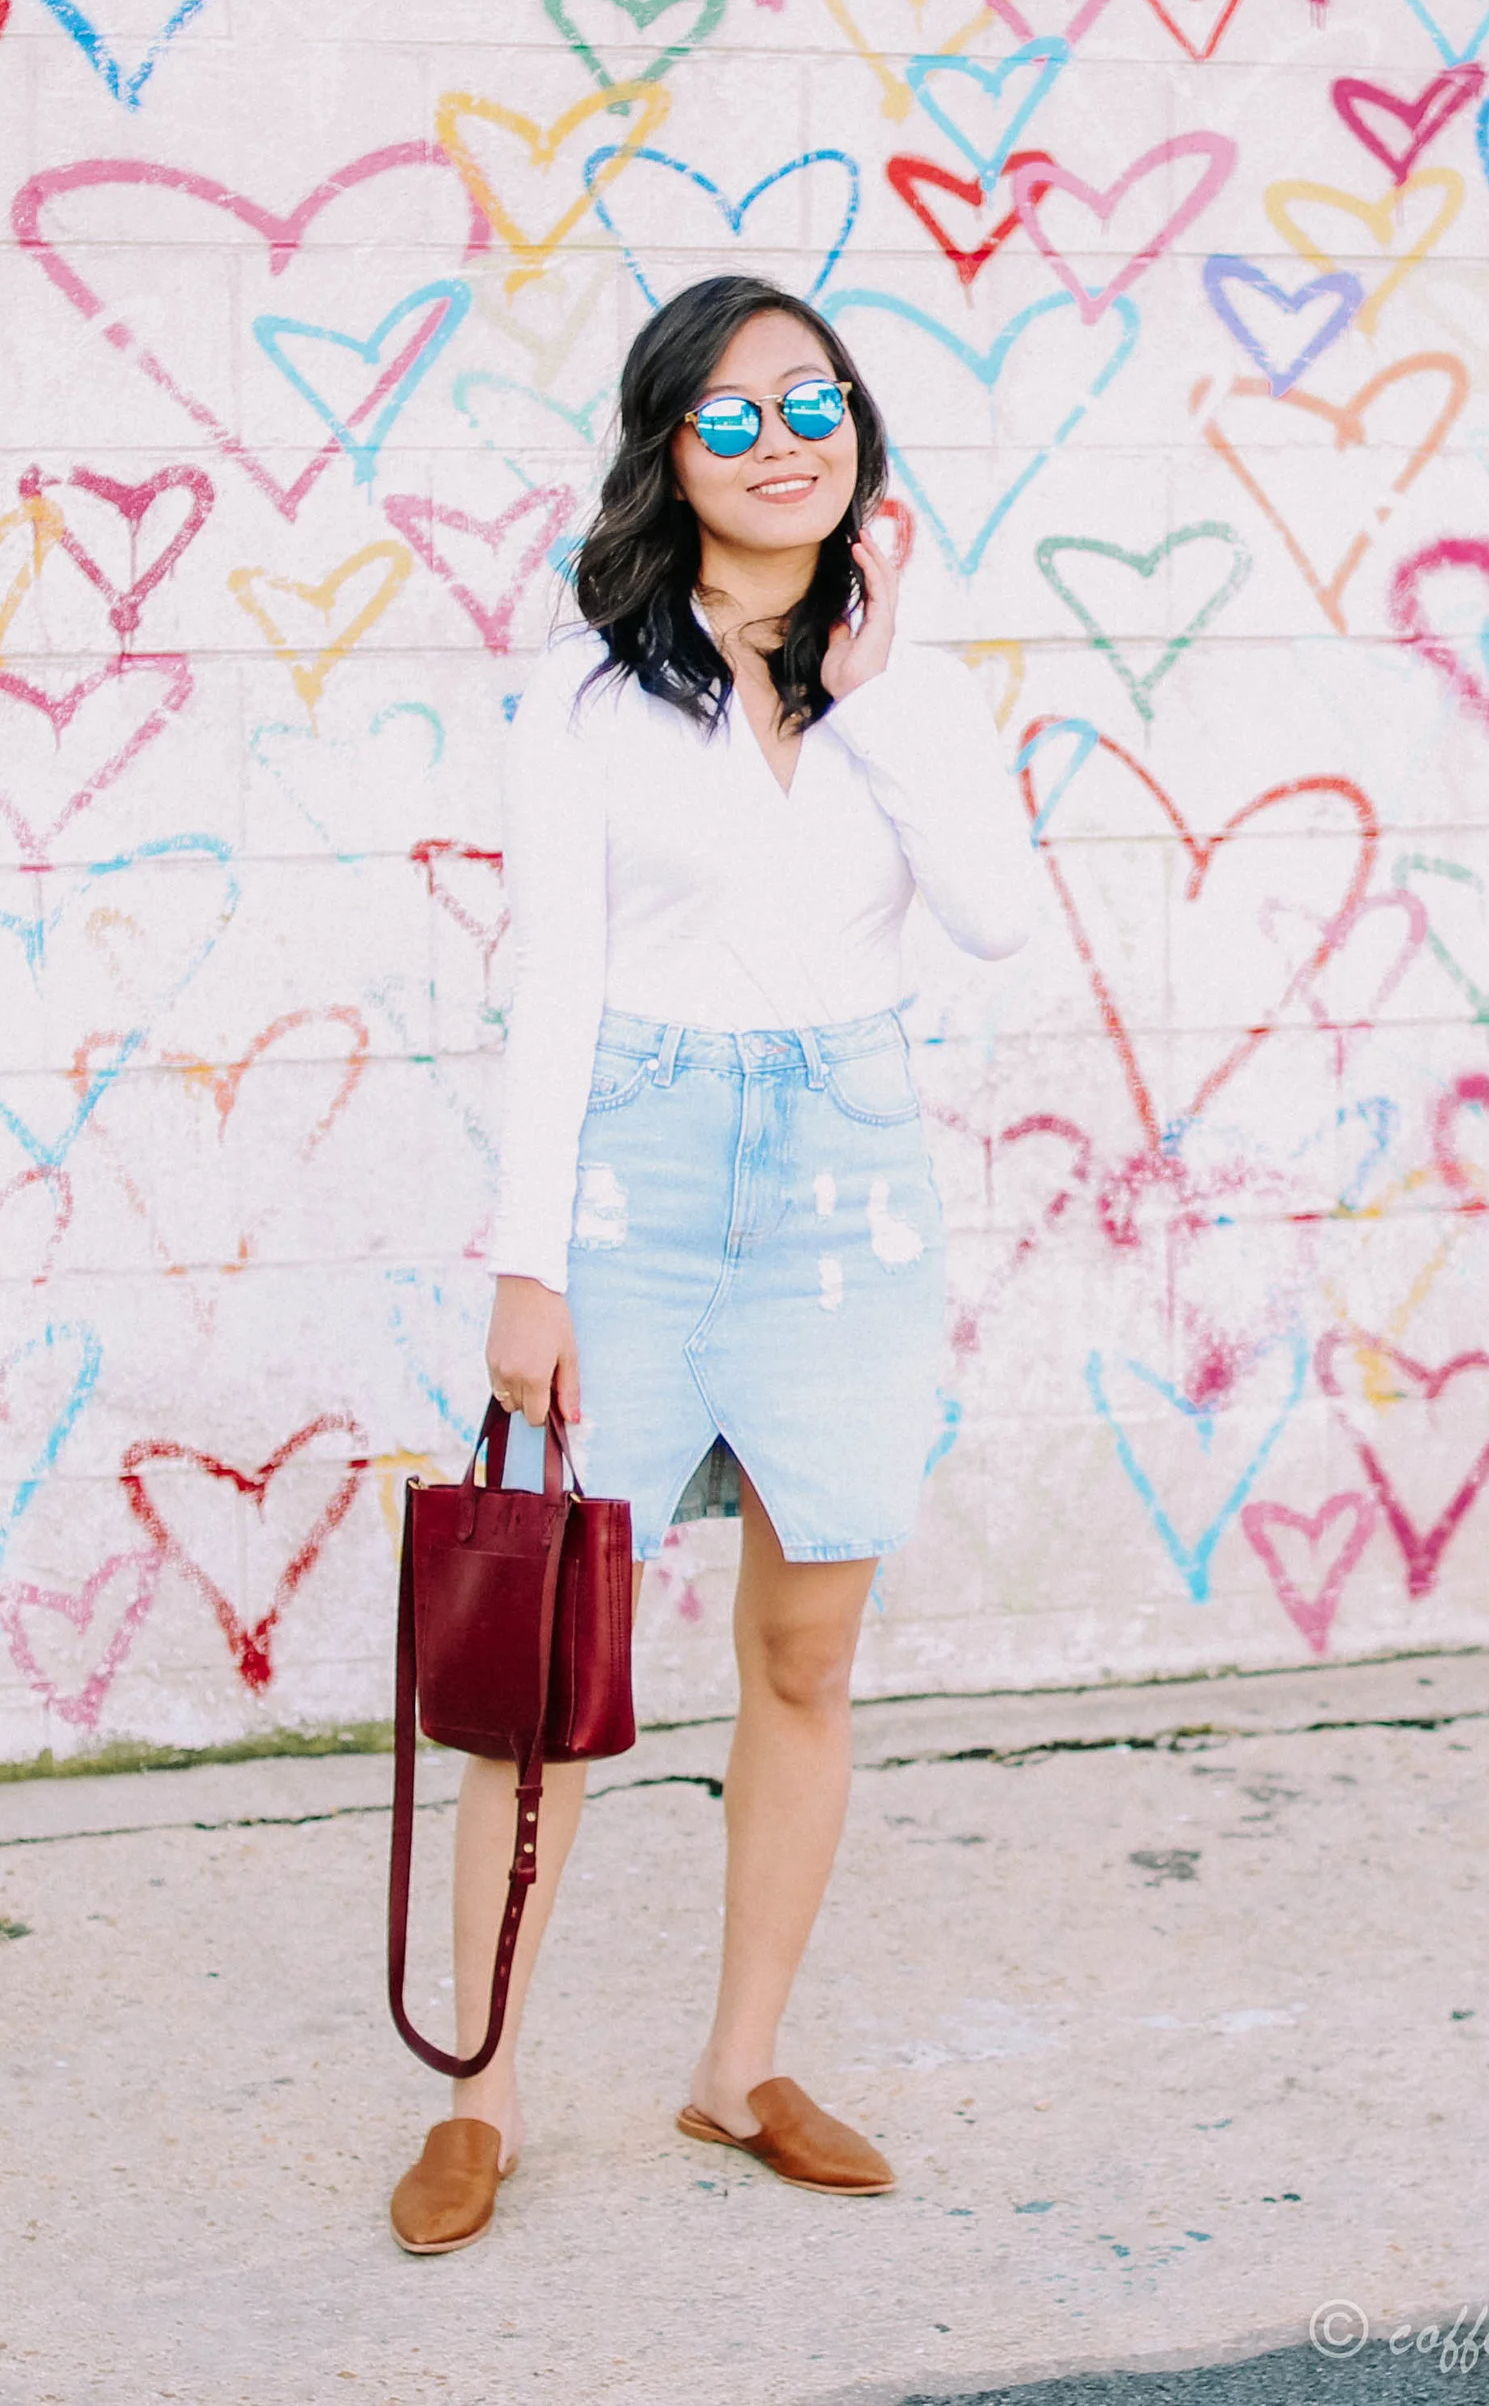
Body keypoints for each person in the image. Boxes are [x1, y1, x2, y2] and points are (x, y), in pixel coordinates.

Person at [388, 273, 1038, 2255]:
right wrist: (527, 1265)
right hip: (635, 1182)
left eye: (811, 402)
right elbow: (557, 990)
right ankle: (480, 2091)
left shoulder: (914, 691)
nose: (781, 441)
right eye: (732, 414)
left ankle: (737, 2065)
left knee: (804, 1655)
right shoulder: (587, 700)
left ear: (858, 433)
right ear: (666, 451)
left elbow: (997, 915)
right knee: (544, 1682)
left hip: (846, 1185)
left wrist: (876, 686)